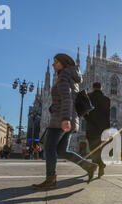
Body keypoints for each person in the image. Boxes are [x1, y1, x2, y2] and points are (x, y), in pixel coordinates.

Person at [32, 53, 98, 190]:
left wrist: (65, 119)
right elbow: (68, 98)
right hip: (70, 118)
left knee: (49, 149)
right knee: (61, 151)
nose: (53, 64)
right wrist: (55, 107)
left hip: (60, 119)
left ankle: (51, 179)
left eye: (56, 62)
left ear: (64, 63)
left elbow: (67, 99)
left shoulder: (63, 77)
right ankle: (89, 166)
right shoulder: (72, 77)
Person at [85, 82, 111, 178]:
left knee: (93, 150)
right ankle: (101, 166)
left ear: (92, 88)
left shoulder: (88, 97)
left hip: (91, 127)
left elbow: (83, 111)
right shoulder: (106, 100)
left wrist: (88, 119)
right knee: (99, 149)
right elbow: (108, 116)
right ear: (101, 88)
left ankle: (96, 168)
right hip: (102, 128)